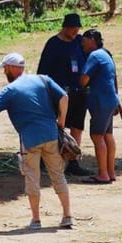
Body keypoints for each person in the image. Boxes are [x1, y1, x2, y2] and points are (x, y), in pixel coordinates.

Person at [0, 52, 74, 230]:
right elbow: (64, 97)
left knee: (32, 179)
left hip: (30, 140)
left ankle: (36, 220)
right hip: (52, 136)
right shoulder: (43, 80)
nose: (4, 73)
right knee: (58, 176)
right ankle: (67, 215)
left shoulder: (11, 90)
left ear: (9, 68)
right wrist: (61, 122)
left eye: (5, 69)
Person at [37, 13, 91, 176]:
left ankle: (73, 162)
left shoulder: (79, 42)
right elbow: (43, 71)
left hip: (78, 92)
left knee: (77, 126)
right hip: (58, 93)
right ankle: (43, 159)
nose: (76, 31)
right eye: (73, 28)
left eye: (77, 28)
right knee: (53, 125)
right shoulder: (53, 44)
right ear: (65, 27)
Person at [79, 29, 120, 184]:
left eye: (84, 40)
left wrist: (81, 84)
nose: (82, 44)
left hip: (100, 101)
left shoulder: (95, 56)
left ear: (91, 39)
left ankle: (102, 174)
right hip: (110, 100)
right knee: (107, 135)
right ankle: (110, 172)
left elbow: (84, 79)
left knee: (97, 136)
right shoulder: (106, 55)